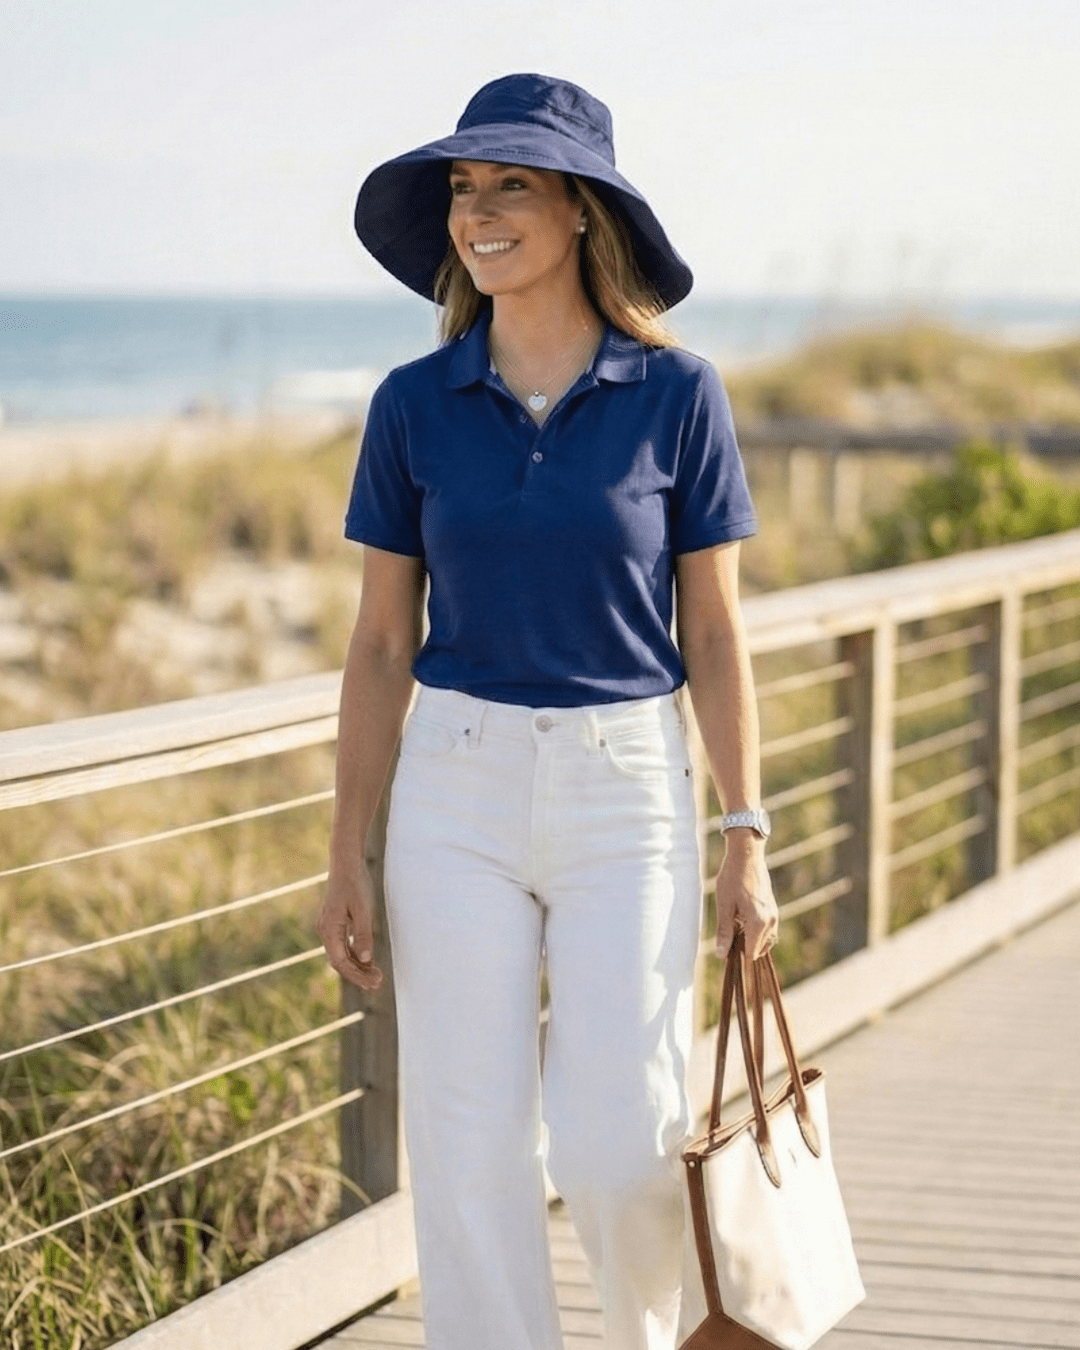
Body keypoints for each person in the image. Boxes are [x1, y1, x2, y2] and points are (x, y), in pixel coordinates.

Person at [317, 73, 779, 1350]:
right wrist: (348, 845)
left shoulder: (681, 395)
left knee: (620, 1136)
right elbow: (374, 643)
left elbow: (718, 629)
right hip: (452, 789)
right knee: (466, 1142)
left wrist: (746, 830)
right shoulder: (412, 404)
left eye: (510, 183)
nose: (479, 211)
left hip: (625, 784)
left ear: (582, 209)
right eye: (465, 189)